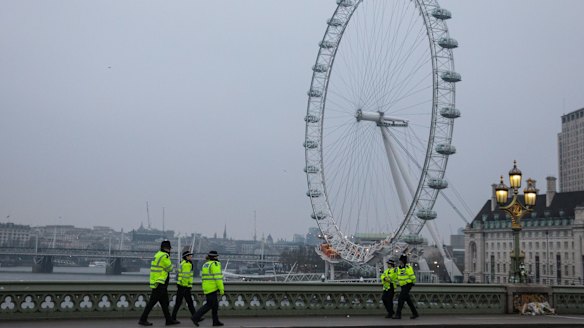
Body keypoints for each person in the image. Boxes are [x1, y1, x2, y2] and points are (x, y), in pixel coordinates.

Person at [138, 240, 180, 326]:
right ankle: (143, 319)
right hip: (161, 282)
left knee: (164, 303)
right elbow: (169, 268)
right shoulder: (165, 256)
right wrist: (173, 266)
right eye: (169, 249)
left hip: (157, 281)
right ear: (167, 248)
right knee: (152, 302)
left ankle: (169, 320)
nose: (170, 250)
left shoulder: (157, 254)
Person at [191, 250, 224, 327]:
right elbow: (218, 278)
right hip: (212, 288)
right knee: (209, 305)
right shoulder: (215, 264)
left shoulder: (206, 264)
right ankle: (195, 317)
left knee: (215, 305)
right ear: (215, 257)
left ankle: (215, 321)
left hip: (207, 287)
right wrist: (221, 289)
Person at [171, 250, 199, 322]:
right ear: (186, 257)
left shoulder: (182, 263)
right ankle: (195, 317)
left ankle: (173, 317)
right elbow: (186, 277)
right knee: (189, 303)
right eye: (190, 255)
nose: (191, 256)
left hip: (181, 286)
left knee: (179, 303)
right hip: (184, 287)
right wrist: (187, 286)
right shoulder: (187, 264)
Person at [392, 254, 419, 320]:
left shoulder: (408, 267)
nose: (399, 261)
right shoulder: (398, 268)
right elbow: (396, 276)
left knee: (400, 299)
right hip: (403, 286)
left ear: (403, 261)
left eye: (400, 260)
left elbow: (412, 276)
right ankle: (415, 313)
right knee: (408, 300)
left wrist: (412, 282)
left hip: (407, 285)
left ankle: (398, 314)